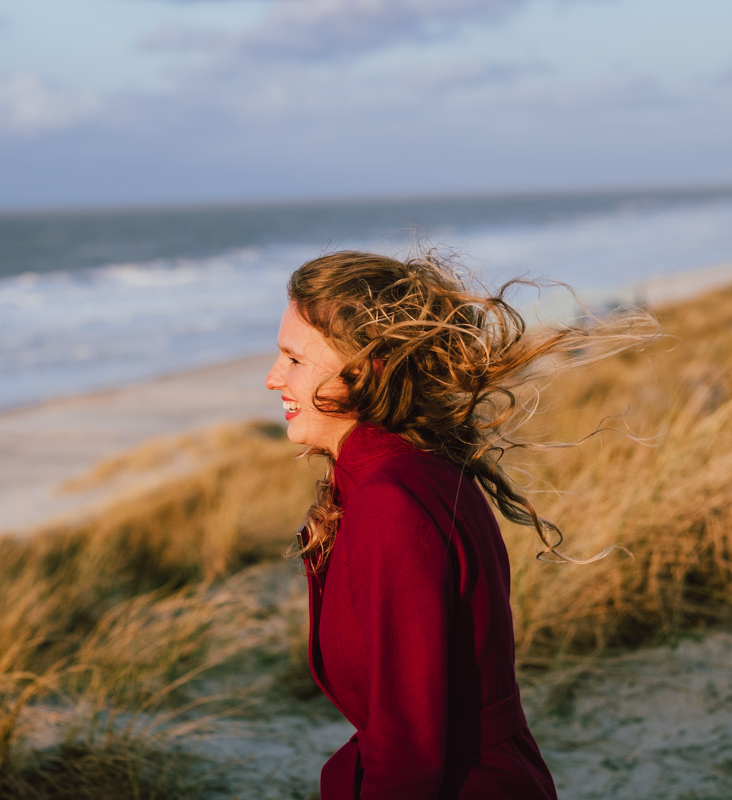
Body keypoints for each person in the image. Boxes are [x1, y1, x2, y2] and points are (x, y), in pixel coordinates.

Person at [266, 250, 650, 798]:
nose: (272, 377)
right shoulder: (414, 468)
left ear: (369, 366)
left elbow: (407, 751)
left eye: (294, 360)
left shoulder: (390, 501)